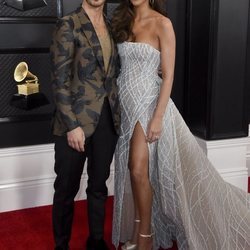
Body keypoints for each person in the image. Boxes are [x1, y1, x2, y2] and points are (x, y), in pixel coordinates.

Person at [111, 0, 250, 250]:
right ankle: (137, 230)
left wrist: (158, 117)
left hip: (147, 104)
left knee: (138, 169)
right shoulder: (123, 20)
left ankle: (146, 237)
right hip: (126, 107)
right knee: (133, 171)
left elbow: (169, 74)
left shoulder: (163, 24)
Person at [50, 0, 120, 249]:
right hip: (74, 124)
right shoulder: (68, 23)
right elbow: (59, 80)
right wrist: (71, 126)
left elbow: (111, 75)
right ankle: (61, 245)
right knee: (66, 191)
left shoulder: (111, 26)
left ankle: (96, 241)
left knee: (99, 186)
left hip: (106, 121)